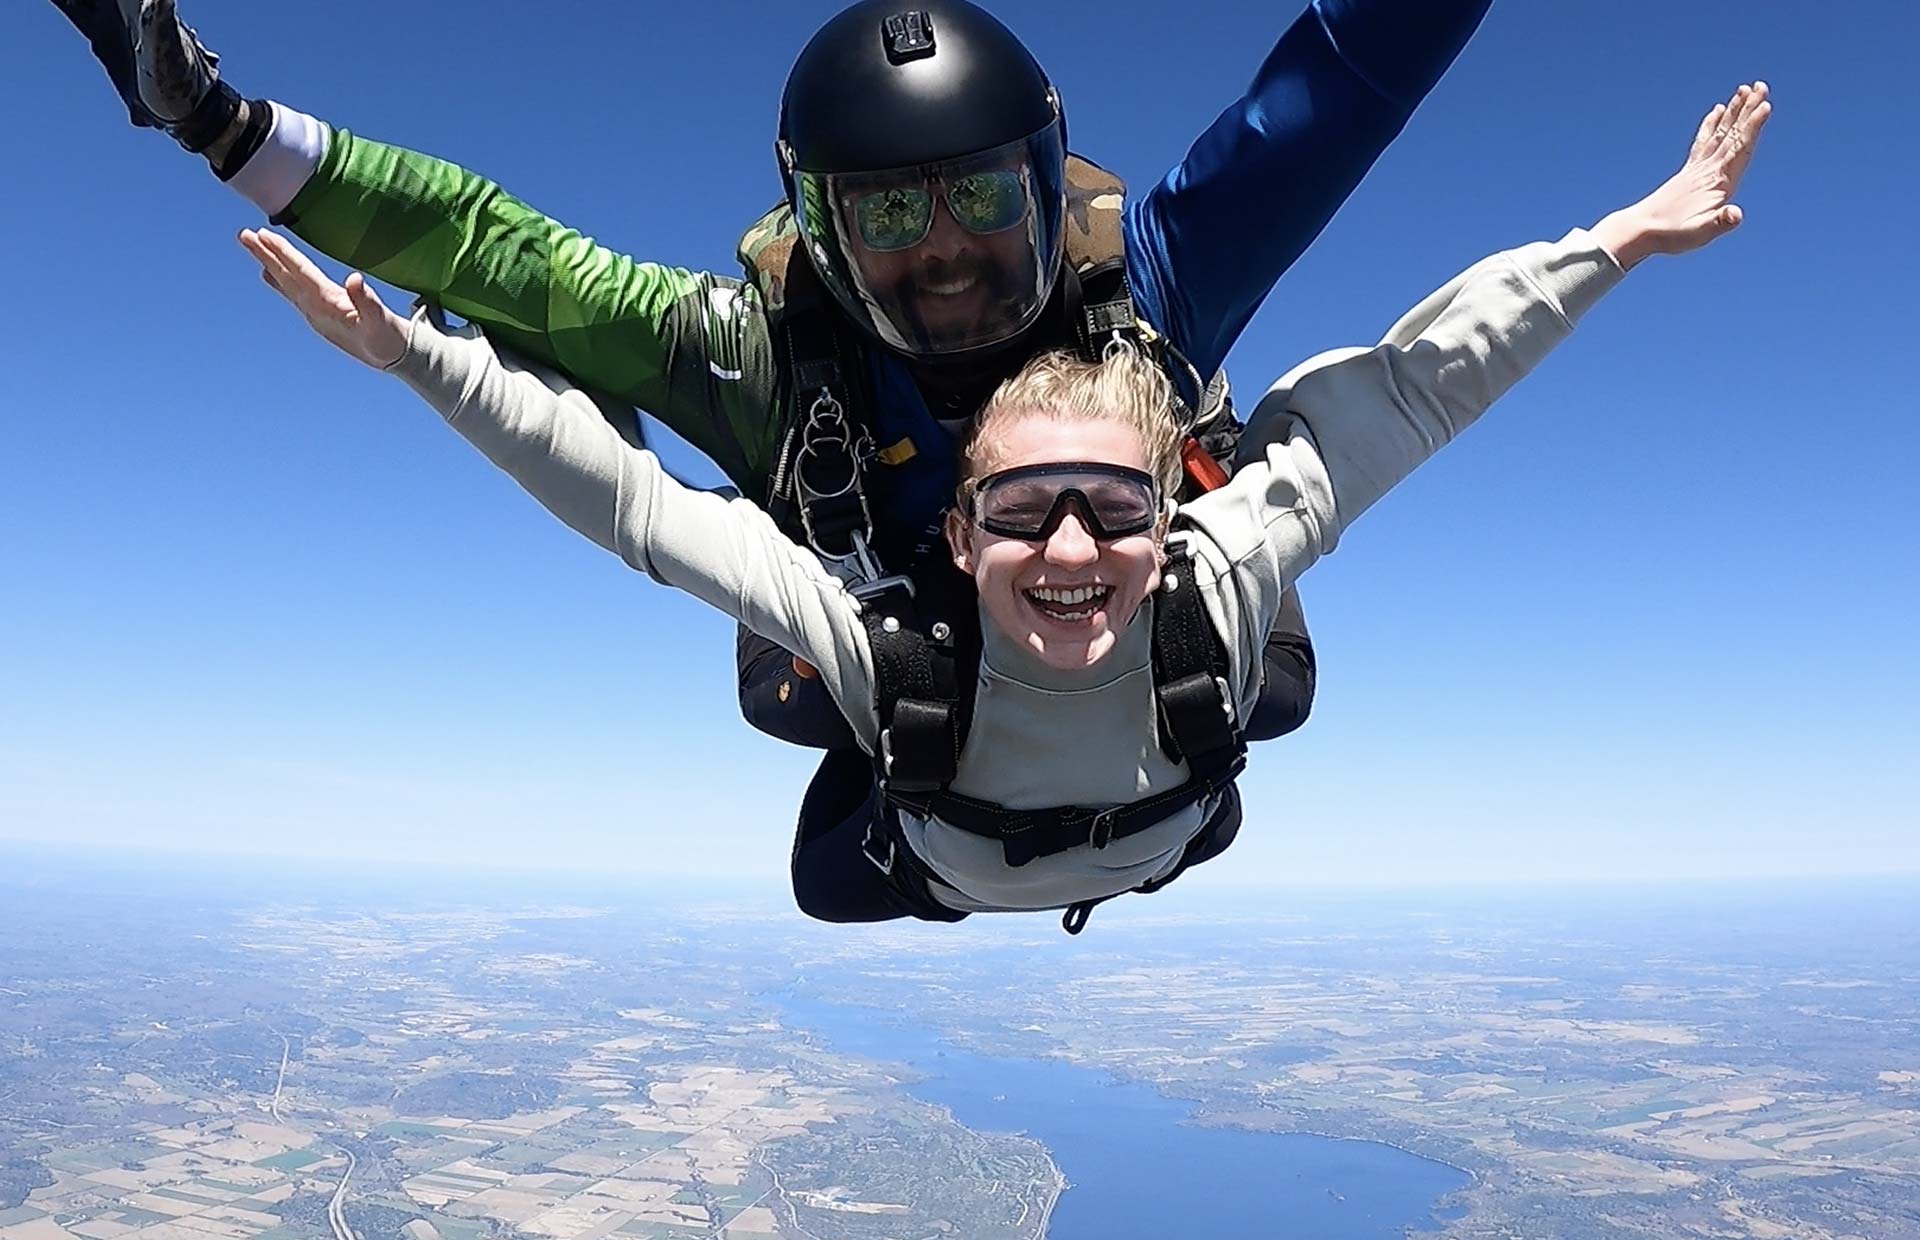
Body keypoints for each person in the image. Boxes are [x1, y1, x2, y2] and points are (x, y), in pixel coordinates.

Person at [47, 0, 1490, 912]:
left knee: (1267, 696)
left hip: (1141, 657)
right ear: (819, 226)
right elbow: (508, 259)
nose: (942, 254)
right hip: (923, 682)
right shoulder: (763, 359)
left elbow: (1344, 86)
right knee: (803, 772)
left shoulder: (1154, 291)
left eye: (982, 196)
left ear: (1050, 181)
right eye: (886, 219)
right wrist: (220, 125)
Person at [237, 84, 1770, 930]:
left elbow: (1424, 384)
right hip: (1107, 828)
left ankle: (970, 865)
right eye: (1027, 511)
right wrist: (414, 354)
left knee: (1236, 711)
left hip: (1059, 833)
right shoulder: (879, 632)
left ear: (1168, 513)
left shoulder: (1209, 586)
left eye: (1108, 508)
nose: (1071, 551)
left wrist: (1625, 235)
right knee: (822, 800)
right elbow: (631, 504)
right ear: (956, 535)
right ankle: (977, 863)